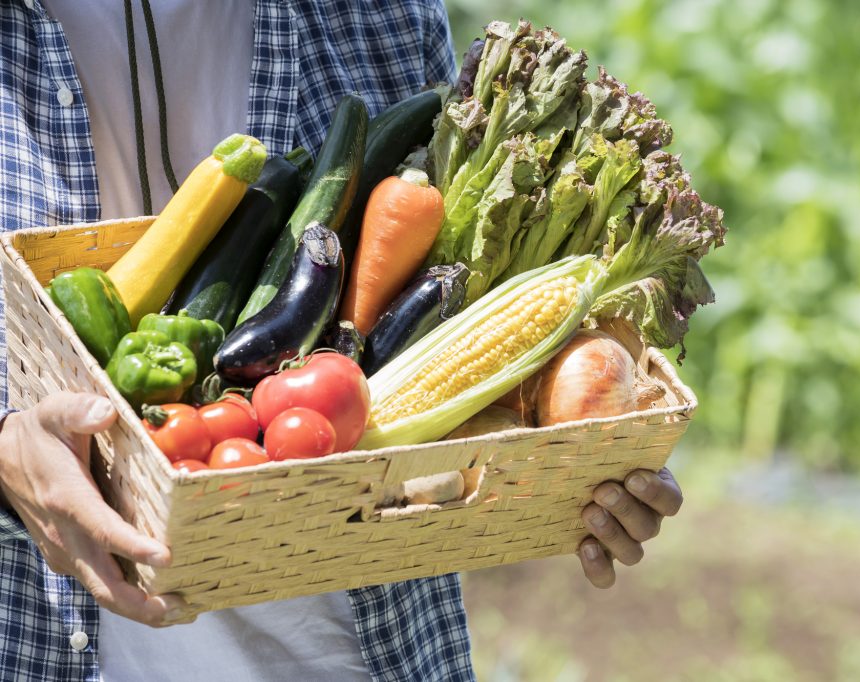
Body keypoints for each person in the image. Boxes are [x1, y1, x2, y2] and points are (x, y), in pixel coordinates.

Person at [0, 1, 684, 680]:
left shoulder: (382, 13)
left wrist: (595, 443)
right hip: (52, 638)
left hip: (347, 653)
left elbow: (479, 327)